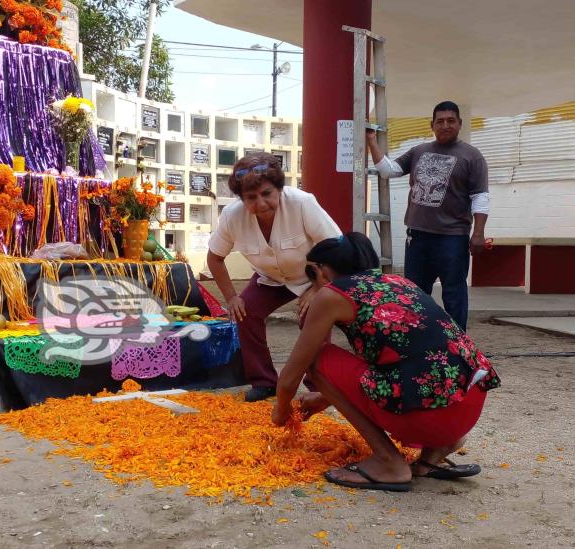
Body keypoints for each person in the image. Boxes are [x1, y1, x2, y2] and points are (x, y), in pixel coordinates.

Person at [272, 233, 500, 491]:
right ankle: (433, 456)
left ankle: (387, 461)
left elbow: (291, 375)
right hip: (467, 410)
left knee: (318, 358)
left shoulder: (332, 294)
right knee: (412, 364)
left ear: (319, 271)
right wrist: (324, 398)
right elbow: (396, 360)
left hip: (427, 417)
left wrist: (281, 414)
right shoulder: (399, 282)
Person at [207, 152, 341, 402]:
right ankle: (264, 382)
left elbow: (335, 246)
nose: (260, 203)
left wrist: (317, 289)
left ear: (279, 188)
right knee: (244, 312)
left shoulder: (302, 202)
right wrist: (231, 297)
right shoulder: (231, 216)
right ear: (241, 199)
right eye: (251, 198)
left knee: (316, 316)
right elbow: (214, 258)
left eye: (267, 193)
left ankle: (317, 383)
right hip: (270, 278)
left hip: (313, 276)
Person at [366, 101, 489, 330]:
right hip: (418, 237)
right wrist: (371, 140)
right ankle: (418, 342)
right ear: (432, 125)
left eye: (451, 121)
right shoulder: (419, 151)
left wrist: (478, 233)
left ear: (459, 124)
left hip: (452, 238)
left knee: (454, 294)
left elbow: (480, 197)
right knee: (414, 294)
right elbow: (389, 170)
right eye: (440, 121)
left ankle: (458, 345)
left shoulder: (472, 157)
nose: (445, 125)